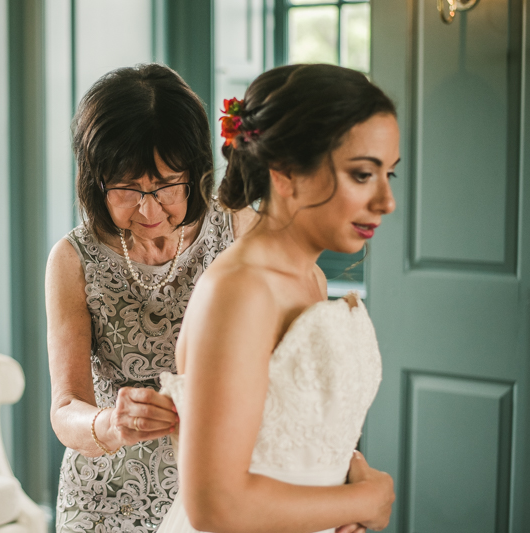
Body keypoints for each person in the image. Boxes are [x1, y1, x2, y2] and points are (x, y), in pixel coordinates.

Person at [157, 64, 399, 533]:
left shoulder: (311, 279)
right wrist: (364, 501)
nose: (386, 200)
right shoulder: (240, 291)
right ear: (286, 174)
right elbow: (214, 505)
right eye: (364, 174)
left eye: (390, 174)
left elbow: (297, 430)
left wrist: (343, 493)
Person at [46, 64, 259, 533]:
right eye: (126, 188)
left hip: (215, 491)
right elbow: (65, 412)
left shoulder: (238, 228)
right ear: (95, 178)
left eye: (165, 185)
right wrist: (111, 424)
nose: (148, 209)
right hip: (103, 499)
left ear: (196, 171)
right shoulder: (72, 259)